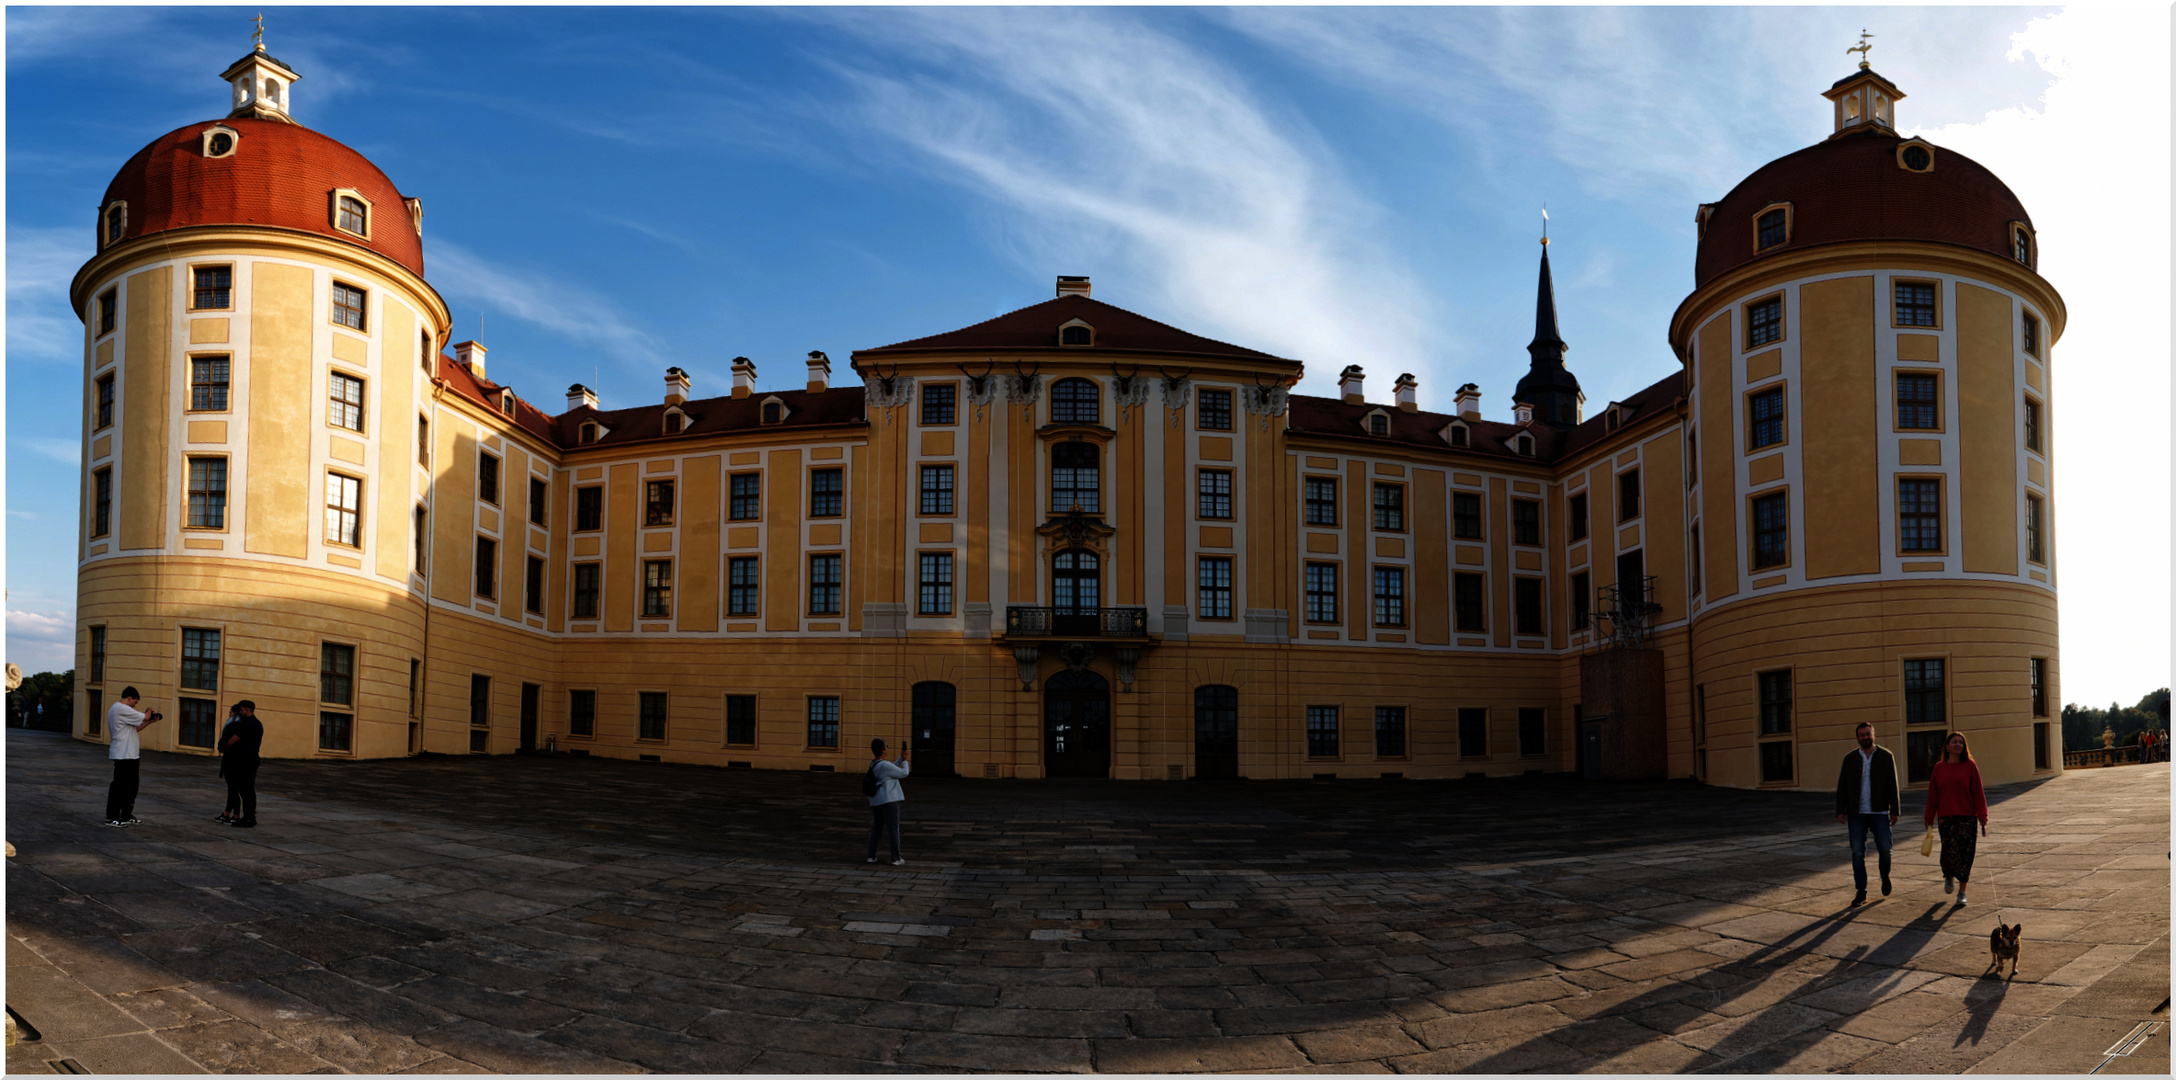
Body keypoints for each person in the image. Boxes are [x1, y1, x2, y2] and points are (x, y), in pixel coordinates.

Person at [1833, 721, 1900, 907]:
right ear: (1857, 737)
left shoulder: (1886, 756)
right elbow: (1842, 786)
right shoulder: (1850, 759)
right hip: (1857, 814)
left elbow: (1892, 785)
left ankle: (1884, 874)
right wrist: (1840, 810)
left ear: (1873, 735)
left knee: (1885, 850)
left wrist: (1895, 810)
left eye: (1868, 734)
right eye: (1862, 735)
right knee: (1857, 853)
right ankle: (1861, 891)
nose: (1865, 737)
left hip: (1879, 813)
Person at [1923, 730, 1989, 907]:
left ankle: (1962, 892)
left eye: (1961, 742)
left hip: (1967, 818)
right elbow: (1932, 795)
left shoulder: (1970, 766)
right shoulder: (1939, 768)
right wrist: (1929, 817)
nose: (1958, 744)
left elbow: (1978, 792)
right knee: (1949, 853)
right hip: (1946, 818)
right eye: (1954, 742)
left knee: (1966, 855)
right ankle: (1948, 874)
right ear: (1947, 746)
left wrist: (1982, 815)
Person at [104, 687, 162, 827]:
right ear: (129, 698)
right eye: (134, 702)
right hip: (122, 754)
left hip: (131, 754)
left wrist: (149, 721)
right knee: (119, 787)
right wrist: (148, 711)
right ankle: (111, 817)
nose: (134, 705)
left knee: (132, 787)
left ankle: (126, 815)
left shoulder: (123, 712)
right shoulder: (120, 708)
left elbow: (136, 728)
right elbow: (145, 715)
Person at [864, 736, 910, 866]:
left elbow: (891, 770)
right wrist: (905, 761)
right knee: (893, 829)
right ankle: (896, 858)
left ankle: (871, 856)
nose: (887, 748)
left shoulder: (874, 763)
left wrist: (900, 758)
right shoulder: (884, 765)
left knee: (876, 828)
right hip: (889, 800)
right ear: (883, 750)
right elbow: (903, 773)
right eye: (886, 746)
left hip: (876, 800)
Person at [219, 700, 265, 828]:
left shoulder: (246, 725)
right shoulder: (257, 724)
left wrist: (224, 746)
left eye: (241, 711)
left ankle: (249, 818)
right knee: (248, 789)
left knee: (245, 789)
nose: (240, 713)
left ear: (246, 710)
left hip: (245, 760)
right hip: (253, 759)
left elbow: (232, 741)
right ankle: (250, 816)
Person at [216, 703, 242, 823]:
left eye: (230, 712)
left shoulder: (235, 725)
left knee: (232, 788)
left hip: (232, 759)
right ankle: (231, 813)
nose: (229, 714)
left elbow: (228, 740)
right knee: (233, 789)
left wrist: (223, 747)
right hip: (233, 758)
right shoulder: (237, 724)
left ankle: (232, 814)